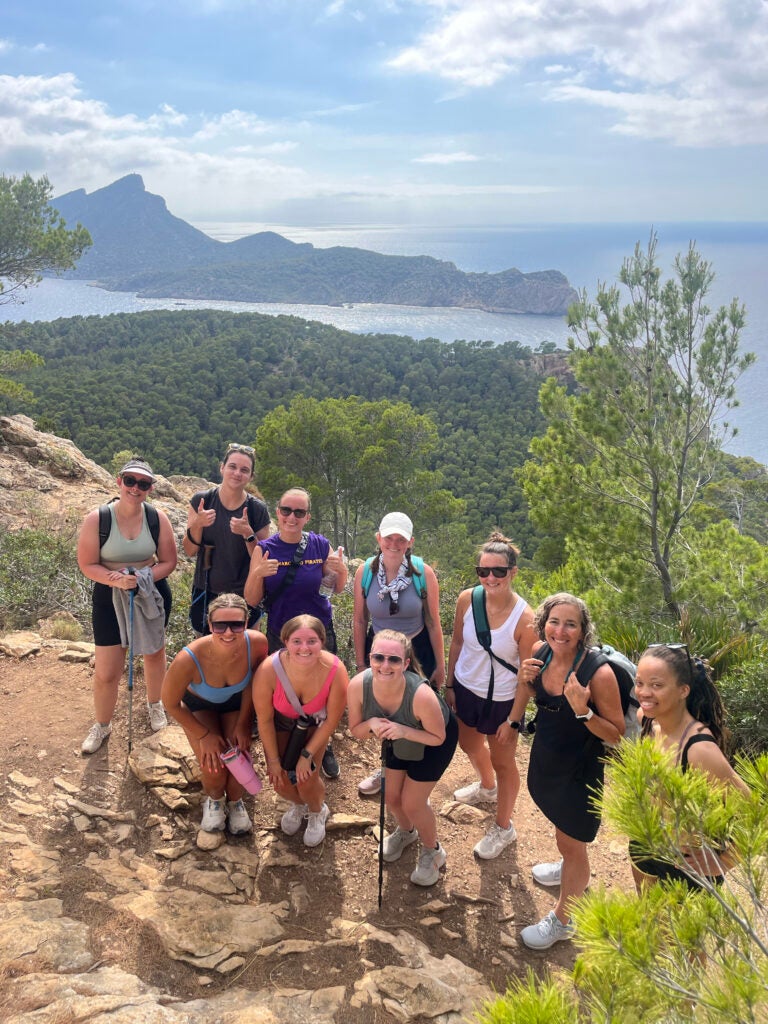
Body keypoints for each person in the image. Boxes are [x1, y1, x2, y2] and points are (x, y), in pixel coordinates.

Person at [516, 592, 625, 950]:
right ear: (544, 623)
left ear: (582, 631)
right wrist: (525, 679)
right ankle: (569, 869)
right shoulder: (540, 652)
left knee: (572, 840)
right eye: (554, 621)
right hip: (549, 757)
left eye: (571, 624)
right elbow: (542, 701)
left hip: (580, 768)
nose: (560, 631)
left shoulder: (599, 673)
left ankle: (564, 919)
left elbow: (616, 735)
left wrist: (585, 710)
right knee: (563, 833)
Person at [444, 532, 535, 860]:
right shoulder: (467, 599)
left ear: (513, 572)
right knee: (467, 744)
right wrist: (451, 684)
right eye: (483, 571)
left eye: (499, 571)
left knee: (503, 761)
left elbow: (527, 677)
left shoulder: (526, 619)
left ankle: (503, 826)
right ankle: (487, 787)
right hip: (466, 689)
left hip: (502, 701)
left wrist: (513, 719)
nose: (490, 578)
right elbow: (456, 642)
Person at [244, 487, 347, 779]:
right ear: (277, 512)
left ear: (307, 517)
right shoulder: (264, 549)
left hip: (319, 632)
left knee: (323, 687)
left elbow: (335, 587)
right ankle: (285, 746)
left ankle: (321, 747)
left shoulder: (319, 544)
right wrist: (256, 573)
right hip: (282, 632)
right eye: (286, 510)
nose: (291, 517)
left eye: (299, 512)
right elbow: (251, 600)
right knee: (285, 689)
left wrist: (341, 571)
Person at [77, 457, 178, 754]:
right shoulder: (98, 519)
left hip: (149, 592)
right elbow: (87, 563)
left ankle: (155, 704)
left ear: (150, 488)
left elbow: (169, 561)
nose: (136, 488)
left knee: (154, 654)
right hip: (109, 596)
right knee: (108, 670)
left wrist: (142, 576)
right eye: (130, 481)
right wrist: (116, 579)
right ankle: (102, 725)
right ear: (119, 482)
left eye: (143, 483)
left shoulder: (157, 518)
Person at [629, 643, 748, 890]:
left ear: (683, 690)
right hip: (645, 846)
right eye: (639, 683)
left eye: (657, 685)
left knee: (671, 929)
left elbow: (753, 812)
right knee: (646, 918)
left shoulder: (699, 750)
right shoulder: (648, 721)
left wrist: (723, 862)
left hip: (685, 865)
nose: (644, 692)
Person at [348, 630, 458, 887]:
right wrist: (372, 722)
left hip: (432, 738)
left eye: (394, 660)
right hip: (396, 733)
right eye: (378, 657)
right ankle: (407, 832)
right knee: (391, 796)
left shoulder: (420, 695)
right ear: (370, 657)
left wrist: (404, 731)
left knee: (413, 803)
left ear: (406, 663)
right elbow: (356, 730)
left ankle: (433, 851)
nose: (385, 666)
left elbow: (438, 737)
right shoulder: (358, 686)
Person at [353, 512, 446, 797]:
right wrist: (360, 664)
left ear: (410, 542)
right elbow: (359, 620)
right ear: (378, 538)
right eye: (389, 537)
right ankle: (388, 769)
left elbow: (432, 621)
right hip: (380, 651)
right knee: (384, 709)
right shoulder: (366, 572)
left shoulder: (422, 573)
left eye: (401, 539)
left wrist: (441, 666)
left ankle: (414, 771)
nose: (394, 544)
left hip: (417, 650)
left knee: (414, 712)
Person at [161, 594, 268, 834]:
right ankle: (215, 800)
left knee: (238, 758)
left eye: (236, 625)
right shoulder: (189, 658)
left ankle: (235, 801)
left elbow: (254, 683)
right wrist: (204, 735)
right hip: (200, 705)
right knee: (214, 765)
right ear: (210, 625)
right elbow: (170, 703)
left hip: (235, 703)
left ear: (247, 622)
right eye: (220, 625)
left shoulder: (257, 644)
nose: (228, 632)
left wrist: (243, 723)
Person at [253, 615, 349, 847]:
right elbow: (264, 720)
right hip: (280, 725)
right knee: (280, 781)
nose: (304, 648)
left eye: (312, 641)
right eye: (297, 641)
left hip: (315, 727)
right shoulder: (268, 670)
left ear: (322, 642)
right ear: (285, 641)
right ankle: (299, 805)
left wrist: (306, 756)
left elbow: (331, 721)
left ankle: (317, 810)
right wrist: (274, 760)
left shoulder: (335, 670)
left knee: (306, 779)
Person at [182, 442, 271, 634]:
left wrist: (248, 534)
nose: (237, 473)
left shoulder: (257, 510)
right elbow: (189, 550)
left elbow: (263, 559)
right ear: (222, 468)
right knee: (206, 654)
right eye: (232, 466)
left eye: (244, 470)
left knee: (246, 653)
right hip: (206, 591)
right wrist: (198, 524)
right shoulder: (202, 501)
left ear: (251, 476)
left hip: (246, 594)